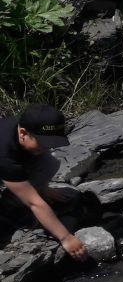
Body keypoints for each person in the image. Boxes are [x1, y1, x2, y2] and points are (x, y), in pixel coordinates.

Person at [0, 104, 88, 261]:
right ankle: (11, 203)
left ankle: (25, 193)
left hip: (12, 160)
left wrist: (43, 188)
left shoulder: (23, 128)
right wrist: (66, 238)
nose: (48, 148)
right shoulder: (5, 155)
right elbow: (35, 204)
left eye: (52, 143)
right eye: (43, 143)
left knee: (49, 162)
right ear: (23, 133)